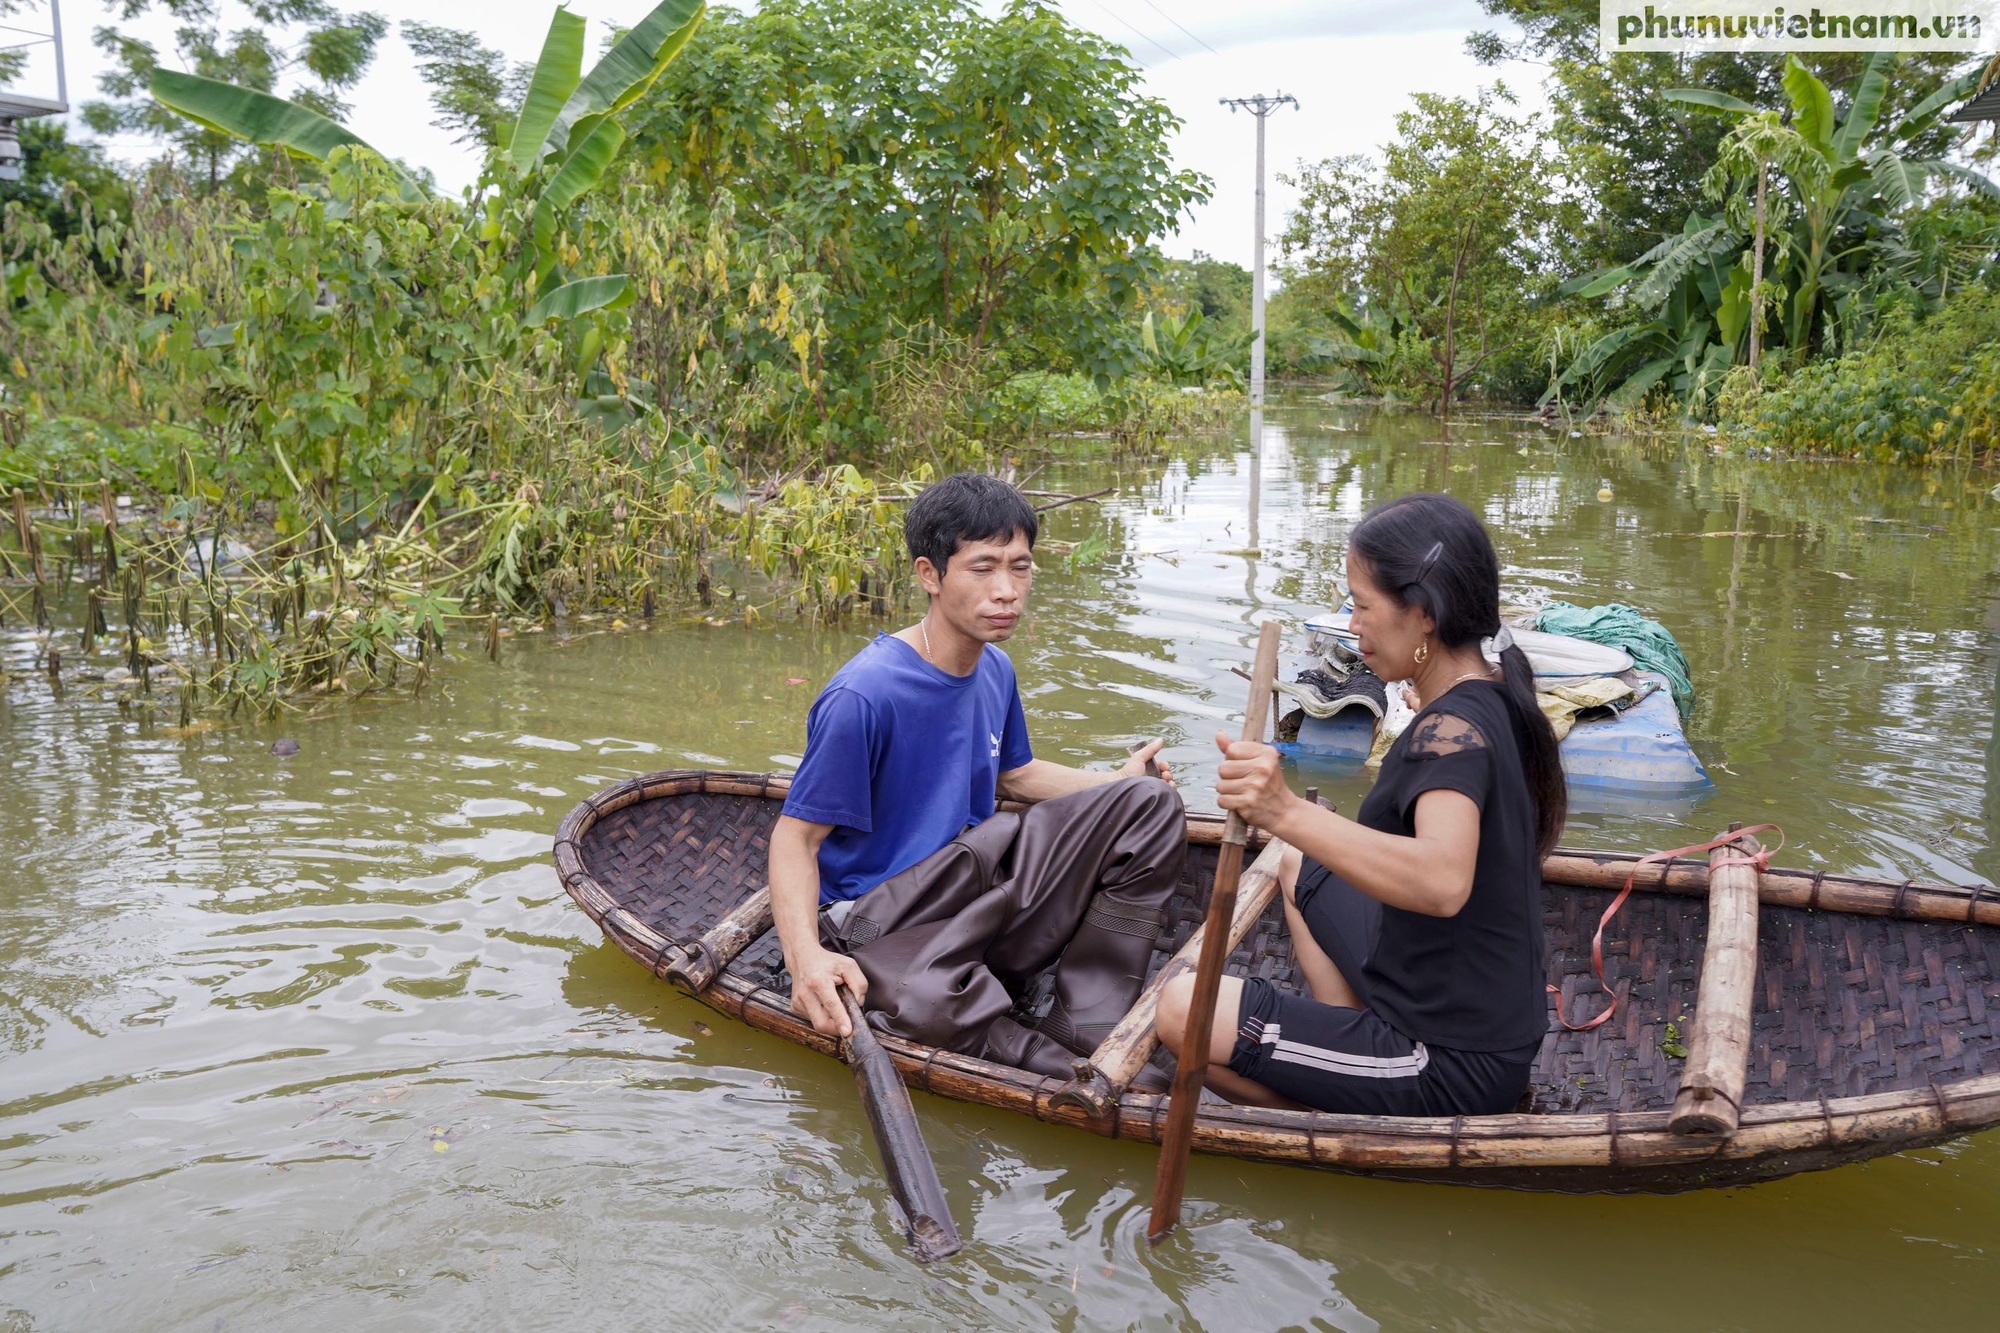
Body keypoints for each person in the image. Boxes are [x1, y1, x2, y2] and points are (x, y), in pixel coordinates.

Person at [1156, 493, 1563, 1116]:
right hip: (1454, 999)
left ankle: (1350, 1101)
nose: (1352, 625)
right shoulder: (1495, 689)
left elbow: (1442, 881)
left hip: (1450, 1056)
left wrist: (1283, 810)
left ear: (1423, 614)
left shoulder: (1447, 733)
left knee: (1182, 1011)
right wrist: (1295, 827)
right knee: (1297, 860)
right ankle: (1344, 1048)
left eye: (1363, 606)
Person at [771, 471, 1187, 1078]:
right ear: (929, 575)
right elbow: (793, 839)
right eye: (982, 567)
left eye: (1020, 568)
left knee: (1149, 804)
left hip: (968, 887)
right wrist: (806, 959)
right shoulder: (866, 694)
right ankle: (1059, 1068)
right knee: (927, 999)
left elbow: (1013, 775)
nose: (1007, 591)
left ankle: (1086, 1018)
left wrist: (1120, 782)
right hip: (880, 918)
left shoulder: (993, 669)